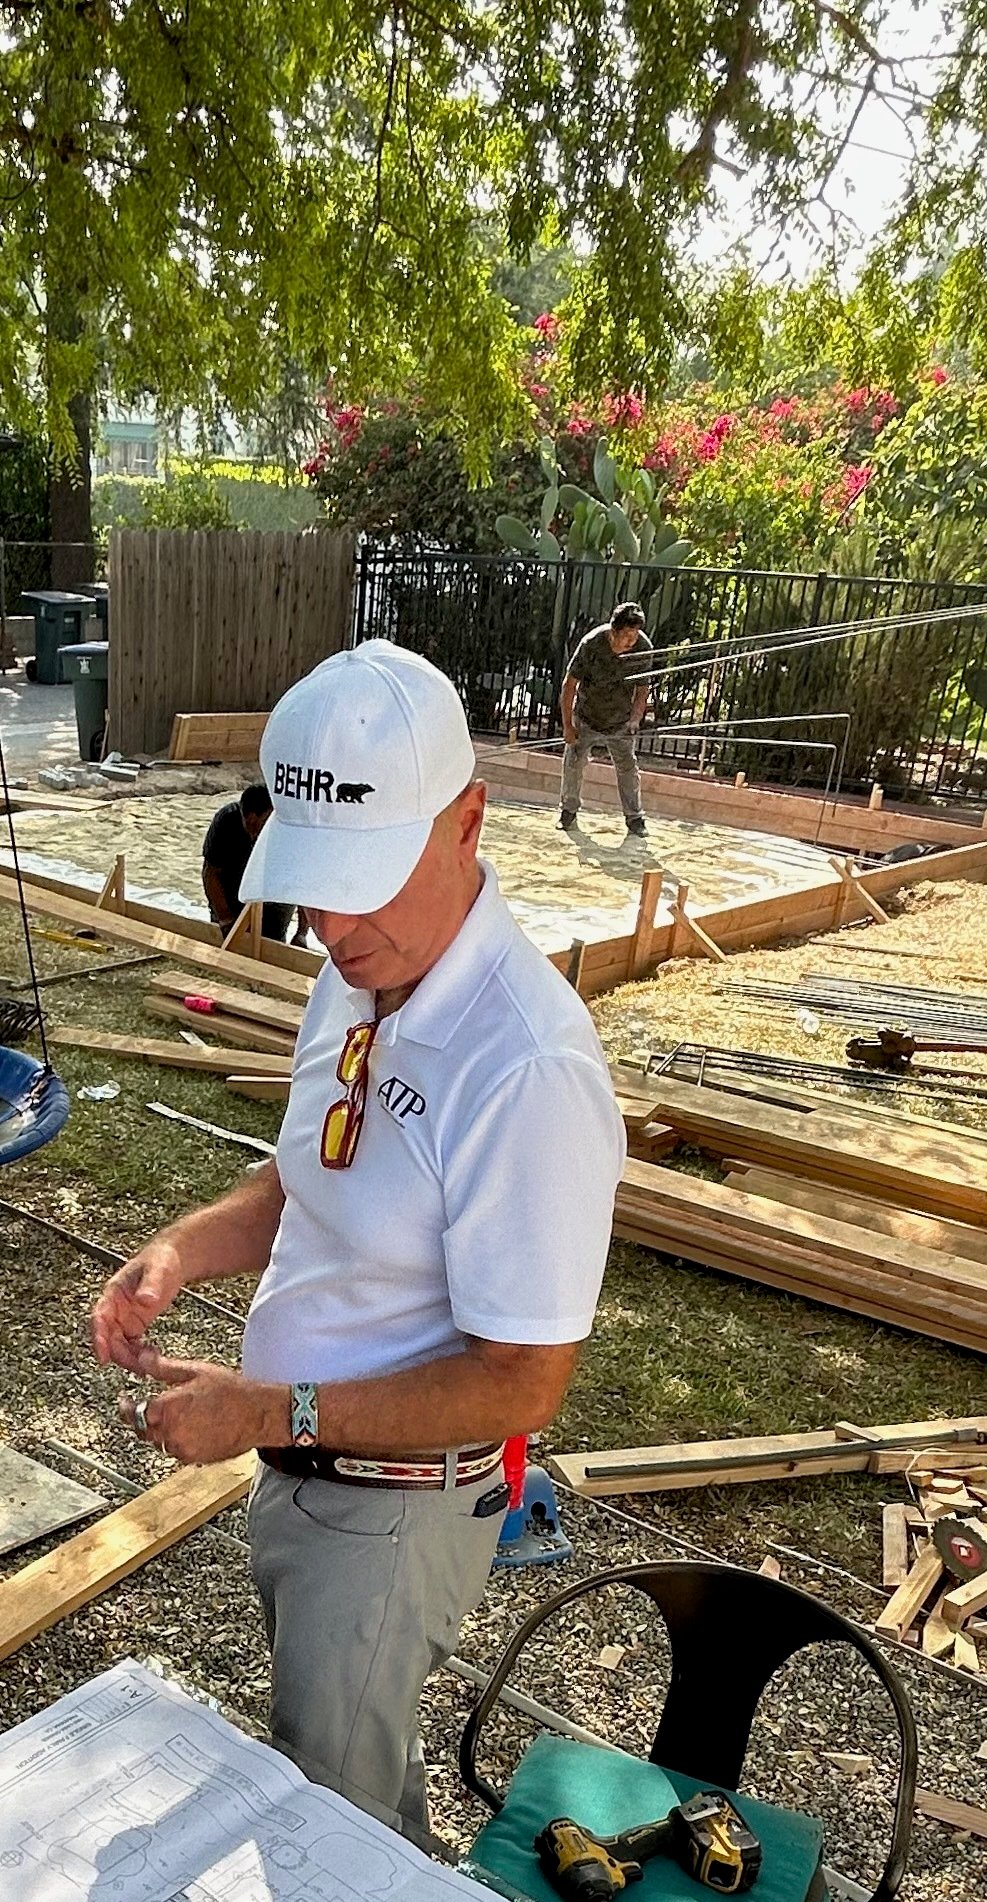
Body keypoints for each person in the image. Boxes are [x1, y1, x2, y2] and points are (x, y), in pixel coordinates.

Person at [92, 642, 625, 1837]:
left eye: (366, 880)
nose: (333, 923)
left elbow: (523, 1381)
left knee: (338, 1828)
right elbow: (312, 1173)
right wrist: (182, 1250)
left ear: (467, 822)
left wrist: (268, 1410)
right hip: (310, 1470)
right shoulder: (360, 967)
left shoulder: (526, 1068)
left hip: (392, 1510)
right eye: (318, 882)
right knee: (350, 1777)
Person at [559, 600, 655, 846]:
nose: (631, 642)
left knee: (628, 768)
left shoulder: (643, 648)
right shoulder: (591, 644)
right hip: (587, 715)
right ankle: (568, 811)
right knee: (574, 761)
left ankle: (635, 818)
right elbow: (569, 685)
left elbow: (642, 689)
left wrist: (635, 719)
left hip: (620, 720)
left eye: (635, 635)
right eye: (627, 636)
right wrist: (568, 726)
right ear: (614, 631)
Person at [201, 776, 294, 942]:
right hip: (231, 899)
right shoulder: (227, 820)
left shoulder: (285, 826)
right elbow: (210, 873)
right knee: (227, 944)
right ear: (246, 816)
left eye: (262, 823)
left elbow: (305, 879)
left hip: (274, 906)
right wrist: (224, 917)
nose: (255, 830)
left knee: (272, 947)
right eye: (249, 823)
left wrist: (302, 932)